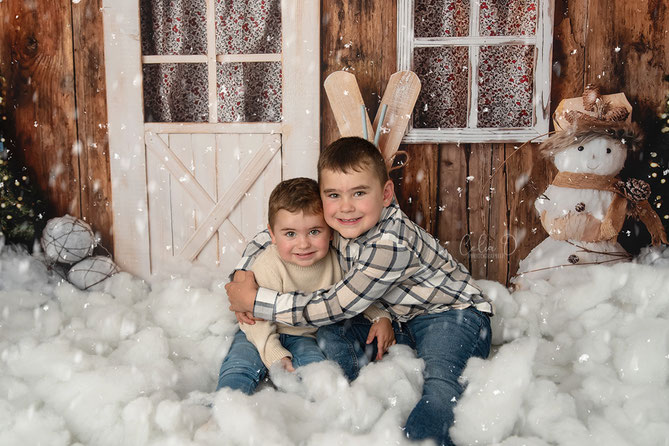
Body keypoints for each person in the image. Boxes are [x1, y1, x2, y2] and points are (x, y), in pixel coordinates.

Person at [226, 137, 493, 445]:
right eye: (334, 195)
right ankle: (348, 400)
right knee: (329, 336)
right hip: (396, 318)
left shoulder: (390, 243)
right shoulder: (339, 223)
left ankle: (423, 438)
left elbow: (336, 304)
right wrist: (244, 278)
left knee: (440, 383)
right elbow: (270, 233)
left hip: (449, 315)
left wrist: (256, 301)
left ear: (386, 194)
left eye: (359, 193)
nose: (346, 207)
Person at [217, 177, 395, 395]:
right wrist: (273, 352)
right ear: (272, 234)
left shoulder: (336, 262)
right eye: (290, 234)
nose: (303, 244)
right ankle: (220, 410)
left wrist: (379, 315)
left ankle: (301, 421)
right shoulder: (268, 265)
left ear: (330, 231)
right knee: (239, 366)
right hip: (258, 333)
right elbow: (254, 321)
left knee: (317, 375)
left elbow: (353, 294)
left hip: (305, 336)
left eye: (314, 232)